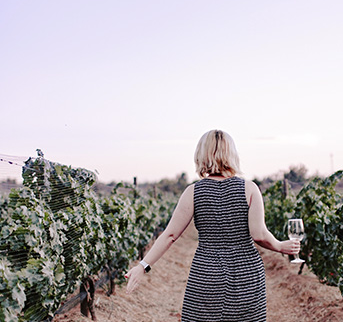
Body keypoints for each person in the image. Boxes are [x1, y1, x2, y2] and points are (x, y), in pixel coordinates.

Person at [125, 129, 300, 321]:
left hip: (206, 274)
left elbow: (170, 235)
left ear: (201, 155)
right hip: (246, 275)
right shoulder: (249, 189)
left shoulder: (193, 192)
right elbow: (258, 234)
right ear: (232, 154)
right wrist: (280, 246)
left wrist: (142, 266)